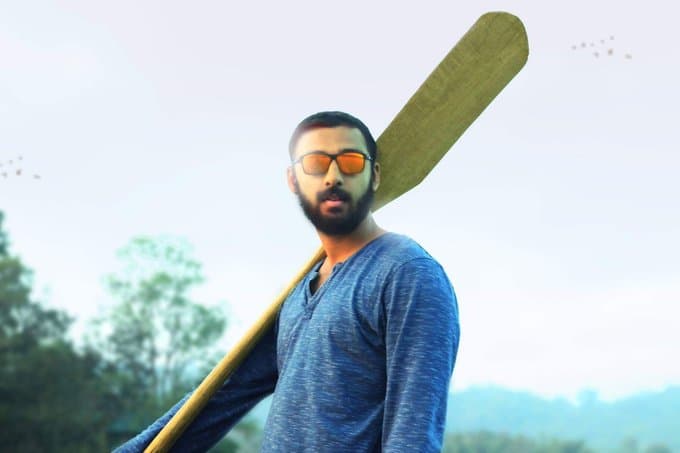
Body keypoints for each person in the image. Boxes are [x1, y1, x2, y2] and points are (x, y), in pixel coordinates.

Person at [115, 111, 460, 452]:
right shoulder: (299, 293)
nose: (334, 177)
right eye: (316, 163)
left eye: (351, 162)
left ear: (375, 175)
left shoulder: (408, 274)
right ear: (293, 180)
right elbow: (222, 394)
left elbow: (412, 436)